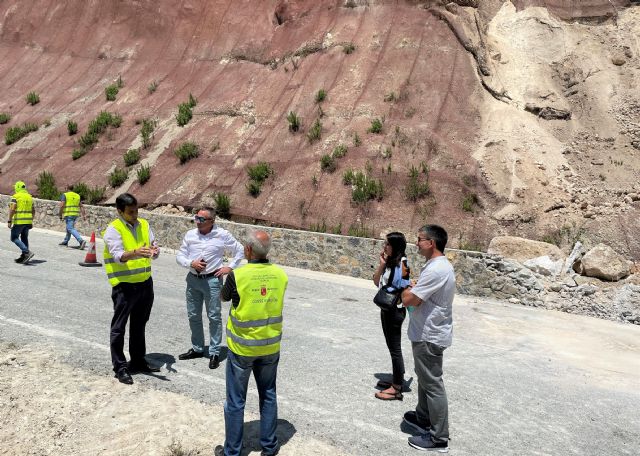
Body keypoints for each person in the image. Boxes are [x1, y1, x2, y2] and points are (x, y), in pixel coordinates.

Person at [214, 230, 288, 456]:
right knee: (268, 395)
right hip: (269, 347)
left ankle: (232, 452)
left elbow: (224, 298)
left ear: (248, 250)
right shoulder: (280, 274)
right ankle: (269, 446)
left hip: (243, 348)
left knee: (236, 401)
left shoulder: (239, 275)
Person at [400, 225, 455, 452]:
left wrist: (406, 289)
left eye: (420, 239)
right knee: (424, 378)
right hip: (426, 332)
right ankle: (423, 416)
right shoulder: (436, 266)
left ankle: (438, 437)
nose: (416, 243)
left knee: (432, 384)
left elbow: (410, 300)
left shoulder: (436, 269)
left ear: (431, 243)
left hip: (429, 335)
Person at [103, 193, 160, 385]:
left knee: (139, 324)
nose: (135, 215)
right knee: (119, 327)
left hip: (145, 283)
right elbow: (118, 255)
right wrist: (135, 252)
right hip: (124, 287)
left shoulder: (144, 224)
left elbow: (152, 246)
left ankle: (137, 361)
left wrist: (155, 251)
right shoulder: (113, 229)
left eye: (136, 210)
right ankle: (120, 367)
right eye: (130, 212)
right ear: (120, 211)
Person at [176, 207, 244, 369]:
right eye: (196, 218)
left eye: (201, 219)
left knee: (214, 317)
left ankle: (214, 352)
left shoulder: (222, 235)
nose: (197, 222)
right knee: (193, 315)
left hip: (213, 281)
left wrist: (230, 267)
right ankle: (198, 348)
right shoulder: (190, 235)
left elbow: (240, 250)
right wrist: (190, 263)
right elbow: (180, 256)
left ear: (212, 221)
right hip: (193, 279)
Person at [372, 232, 411, 401]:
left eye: (387, 244)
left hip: (394, 310)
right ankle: (397, 379)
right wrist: (381, 265)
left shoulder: (402, 264)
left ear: (395, 246)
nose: (384, 247)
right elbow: (376, 281)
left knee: (395, 348)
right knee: (391, 346)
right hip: (386, 307)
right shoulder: (389, 262)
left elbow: (404, 288)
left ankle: (396, 388)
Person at [8, 180, 35, 264]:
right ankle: (24, 257)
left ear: (17, 187)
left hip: (19, 221)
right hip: (28, 221)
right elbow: (33, 211)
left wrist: (9, 220)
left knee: (14, 237)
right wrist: (31, 220)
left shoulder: (15, 197)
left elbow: (12, 209)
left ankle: (26, 252)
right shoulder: (30, 197)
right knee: (24, 237)